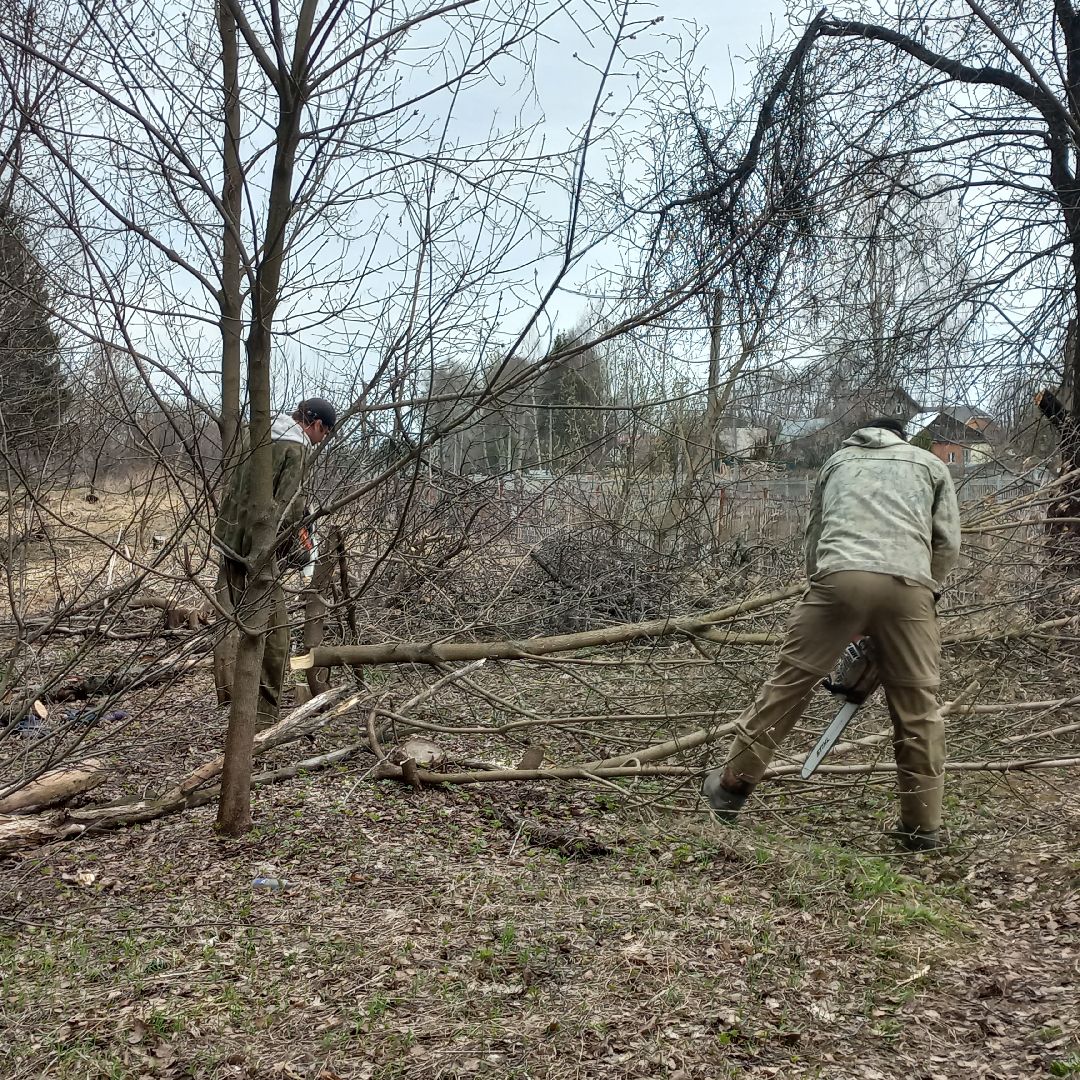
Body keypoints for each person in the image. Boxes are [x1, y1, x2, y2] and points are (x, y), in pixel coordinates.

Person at [702, 416, 961, 851]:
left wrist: (827, 595)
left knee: (788, 686)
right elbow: (947, 543)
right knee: (919, 709)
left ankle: (730, 788)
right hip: (910, 584)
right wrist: (922, 593)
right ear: (902, 437)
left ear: (861, 435)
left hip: (838, 577)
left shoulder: (838, 461)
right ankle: (922, 828)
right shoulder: (930, 464)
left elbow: (816, 535)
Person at [213, 398, 337, 726]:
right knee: (276, 640)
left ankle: (232, 700)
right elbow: (288, 509)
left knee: (235, 622)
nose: (322, 440)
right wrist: (298, 552)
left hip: (229, 539)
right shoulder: (295, 449)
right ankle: (263, 722)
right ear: (316, 424)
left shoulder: (254, 434)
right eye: (325, 433)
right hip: (258, 553)